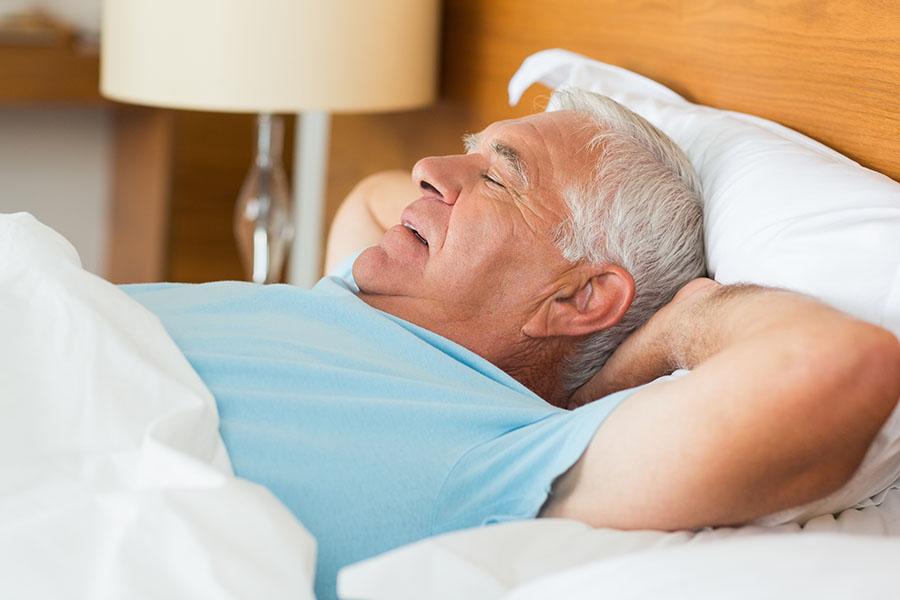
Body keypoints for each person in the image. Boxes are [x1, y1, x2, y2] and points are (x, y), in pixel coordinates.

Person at [123, 89, 900, 600]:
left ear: (579, 298)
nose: (428, 171)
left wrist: (675, 330)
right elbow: (369, 194)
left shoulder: (508, 449)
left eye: (498, 178)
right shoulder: (367, 305)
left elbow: (835, 368)